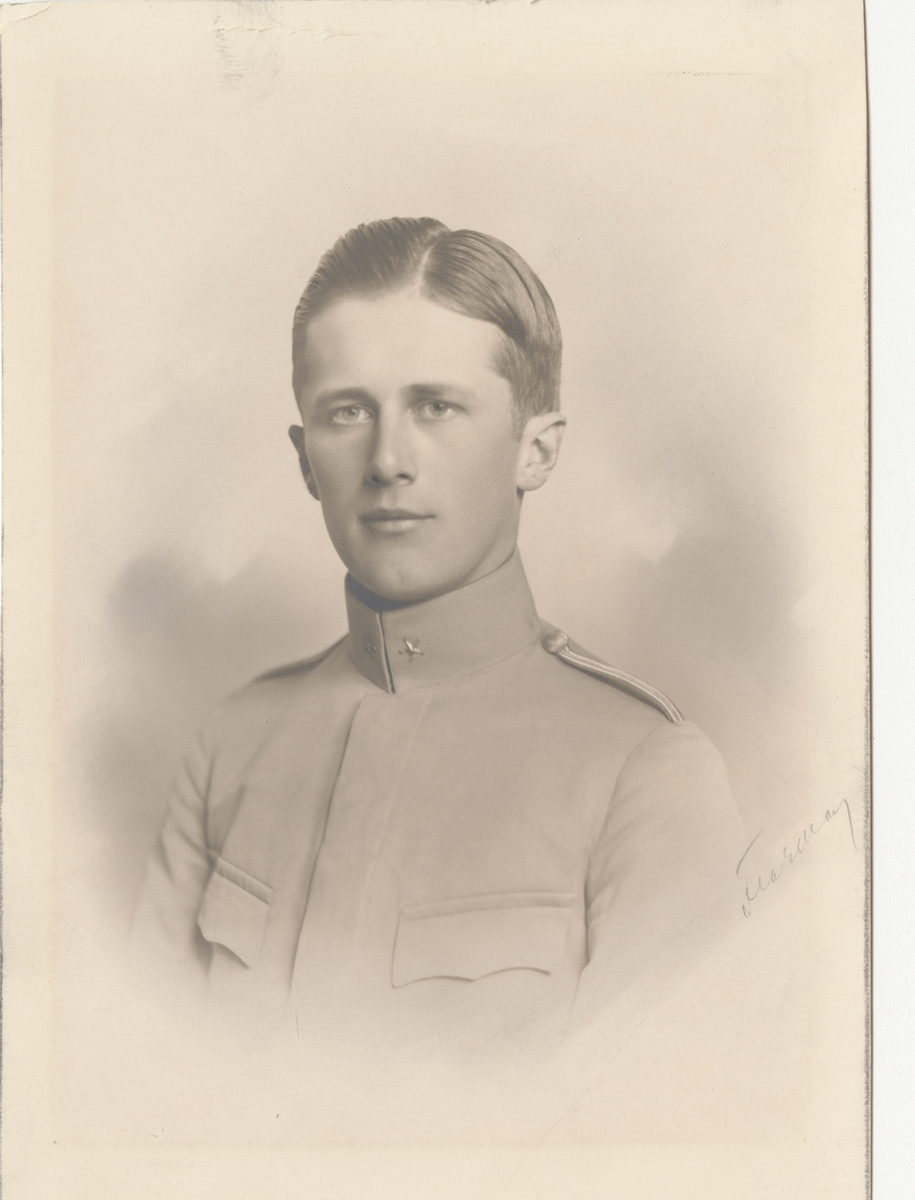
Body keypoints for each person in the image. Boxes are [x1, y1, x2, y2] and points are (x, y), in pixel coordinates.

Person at [132, 217, 746, 1058]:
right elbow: (139, 1085)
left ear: (535, 451)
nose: (387, 459)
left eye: (436, 406)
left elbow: (658, 1121)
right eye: (348, 411)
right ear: (305, 459)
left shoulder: (647, 773)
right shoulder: (231, 742)